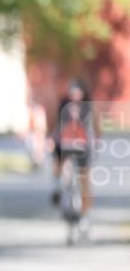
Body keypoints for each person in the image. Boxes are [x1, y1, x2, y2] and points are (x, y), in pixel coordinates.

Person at [49, 79, 98, 229]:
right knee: (60, 164)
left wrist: (95, 143)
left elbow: (95, 127)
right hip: (65, 143)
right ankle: (59, 189)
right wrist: (51, 139)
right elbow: (56, 124)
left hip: (83, 145)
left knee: (85, 180)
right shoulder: (63, 105)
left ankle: (84, 215)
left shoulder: (89, 107)